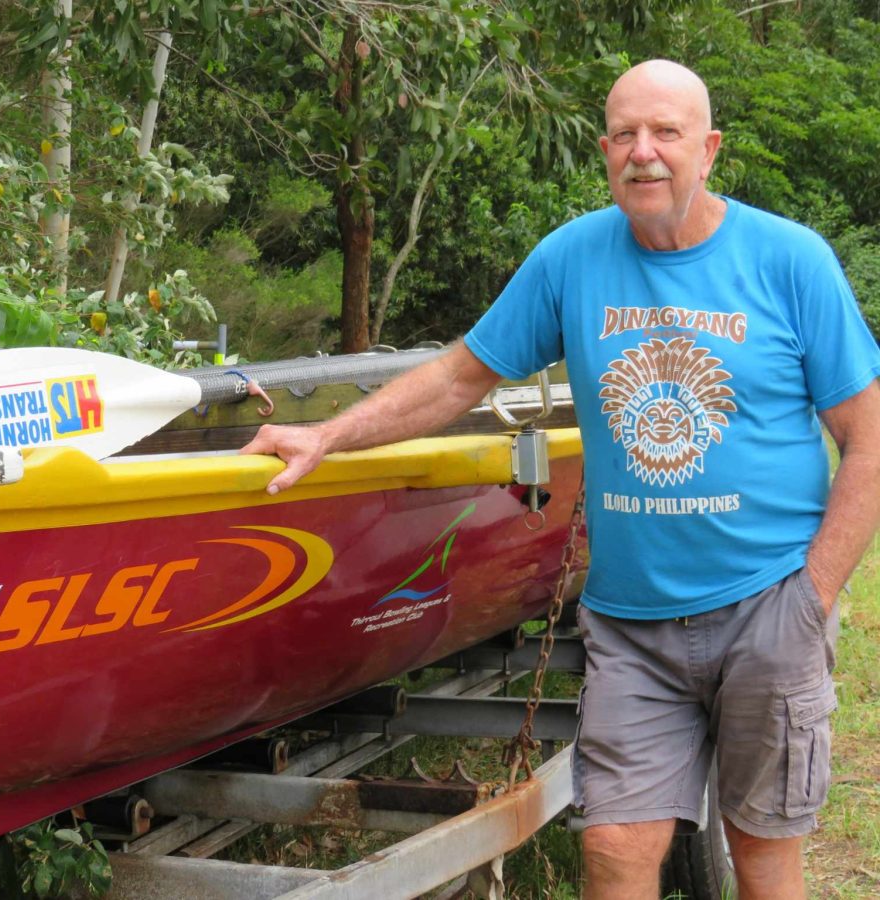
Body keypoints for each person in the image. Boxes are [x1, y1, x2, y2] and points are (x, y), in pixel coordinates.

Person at [241, 59, 880, 899]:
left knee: (761, 854)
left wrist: (813, 597)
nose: (642, 153)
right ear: (605, 148)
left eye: (665, 133)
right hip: (634, 625)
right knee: (614, 850)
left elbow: (867, 439)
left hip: (766, 607)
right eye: (623, 134)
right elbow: (458, 378)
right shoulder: (571, 257)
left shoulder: (790, 262)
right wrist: (328, 434)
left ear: (710, 149)